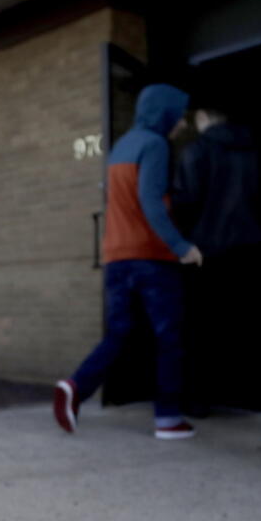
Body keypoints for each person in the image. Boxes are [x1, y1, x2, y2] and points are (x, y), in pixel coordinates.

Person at [53, 84, 201, 440]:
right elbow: (151, 202)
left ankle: (75, 387)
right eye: (178, 115)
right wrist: (182, 246)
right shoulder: (155, 145)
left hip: (116, 258)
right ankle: (168, 419)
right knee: (168, 338)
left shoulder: (120, 147)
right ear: (164, 113)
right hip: (151, 258)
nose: (181, 124)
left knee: (119, 334)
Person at [171, 105, 261, 413]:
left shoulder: (196, 151)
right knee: (246, 325)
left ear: (202, 117)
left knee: (201, 329)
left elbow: (184, 203)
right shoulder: (258, 149)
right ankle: (250, 394)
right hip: (253, 247)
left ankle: (199, 400)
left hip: (207, 250)